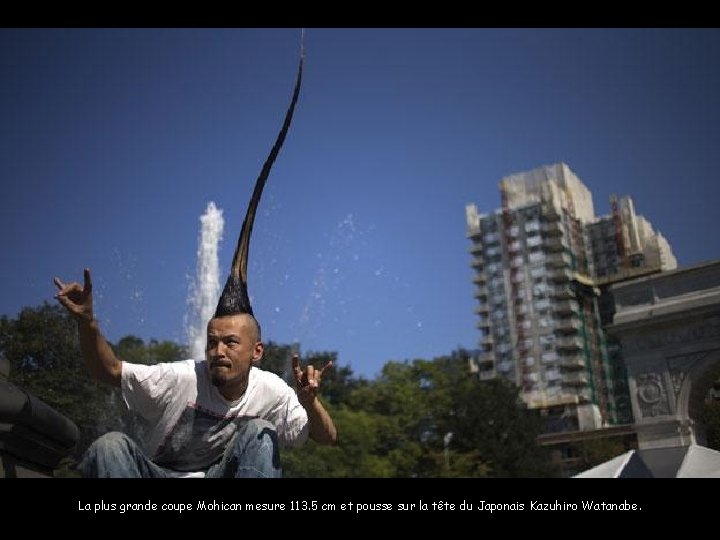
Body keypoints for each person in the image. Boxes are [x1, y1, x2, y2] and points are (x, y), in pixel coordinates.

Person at [54, 268, 337, 478]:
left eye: (230, 342)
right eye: (212, 343)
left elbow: (326, 437)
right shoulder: (183, 377)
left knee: (260, 431)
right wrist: (87, 322)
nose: (218, 351)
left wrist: (309, 402)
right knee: (109, 446)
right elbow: (110, 371)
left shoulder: (271, 389)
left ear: (257, 352)